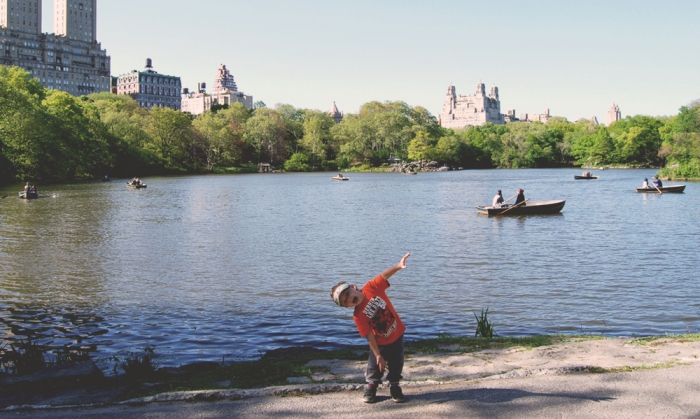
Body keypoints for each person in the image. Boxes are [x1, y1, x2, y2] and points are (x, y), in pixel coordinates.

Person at [330, 253, 410, 404]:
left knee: (397, 362)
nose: (349, 299)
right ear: (346, 306)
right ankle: (372, 386)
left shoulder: (371, 288)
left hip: (397, 333)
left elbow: (384, 276)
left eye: (348, 294)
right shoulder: (358, 316)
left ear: (353, 287)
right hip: (379, 342)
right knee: (375, 366)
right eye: (345, 301)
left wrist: (398, 266)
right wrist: (378, 354)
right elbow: (368, 335)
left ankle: (394, 386)